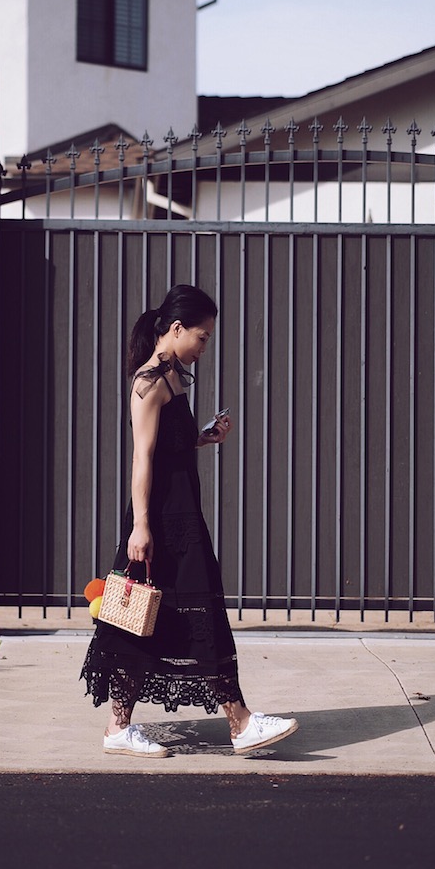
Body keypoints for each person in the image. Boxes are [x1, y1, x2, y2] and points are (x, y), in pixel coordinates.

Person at [80, 284, 299, 757]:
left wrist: (202, 438)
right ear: (176, 329)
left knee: (166, 617)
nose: (204, 346)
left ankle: (132, 728)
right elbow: (141, 459)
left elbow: (167, 447)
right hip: (160, 518)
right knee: (146, 616)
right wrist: (141, 527)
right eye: (202, 337)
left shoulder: (173, 377)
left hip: (181, 513)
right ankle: (235, 723)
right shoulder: (149, 381)